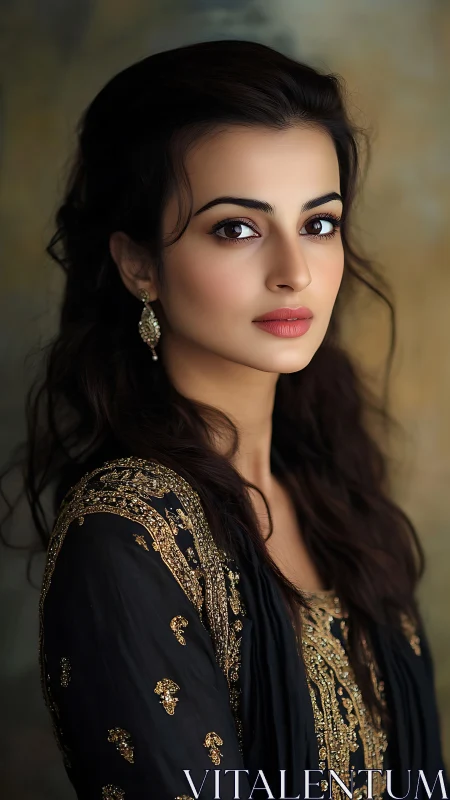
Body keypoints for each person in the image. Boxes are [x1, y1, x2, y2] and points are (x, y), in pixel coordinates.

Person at [2, 39, 448, 800]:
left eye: (319, 223)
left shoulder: (334, 494)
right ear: (139, 264)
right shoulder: (128, 535)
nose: (295, 272)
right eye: (237, 228)